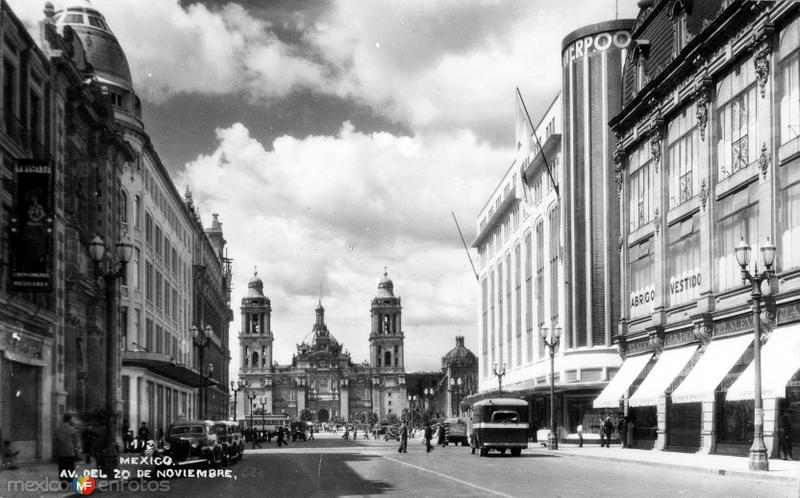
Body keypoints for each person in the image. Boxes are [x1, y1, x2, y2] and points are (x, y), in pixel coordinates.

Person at [55, 414, 80, 485]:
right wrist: (77, 452)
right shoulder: (73, 430)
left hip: (61, 453)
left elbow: (56, 442)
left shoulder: (58, 429)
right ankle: (70, 483)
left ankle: (63, 484)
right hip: (70, 452)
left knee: (62, 469)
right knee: (70, 469)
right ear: (69, 420)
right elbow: (76, 442)